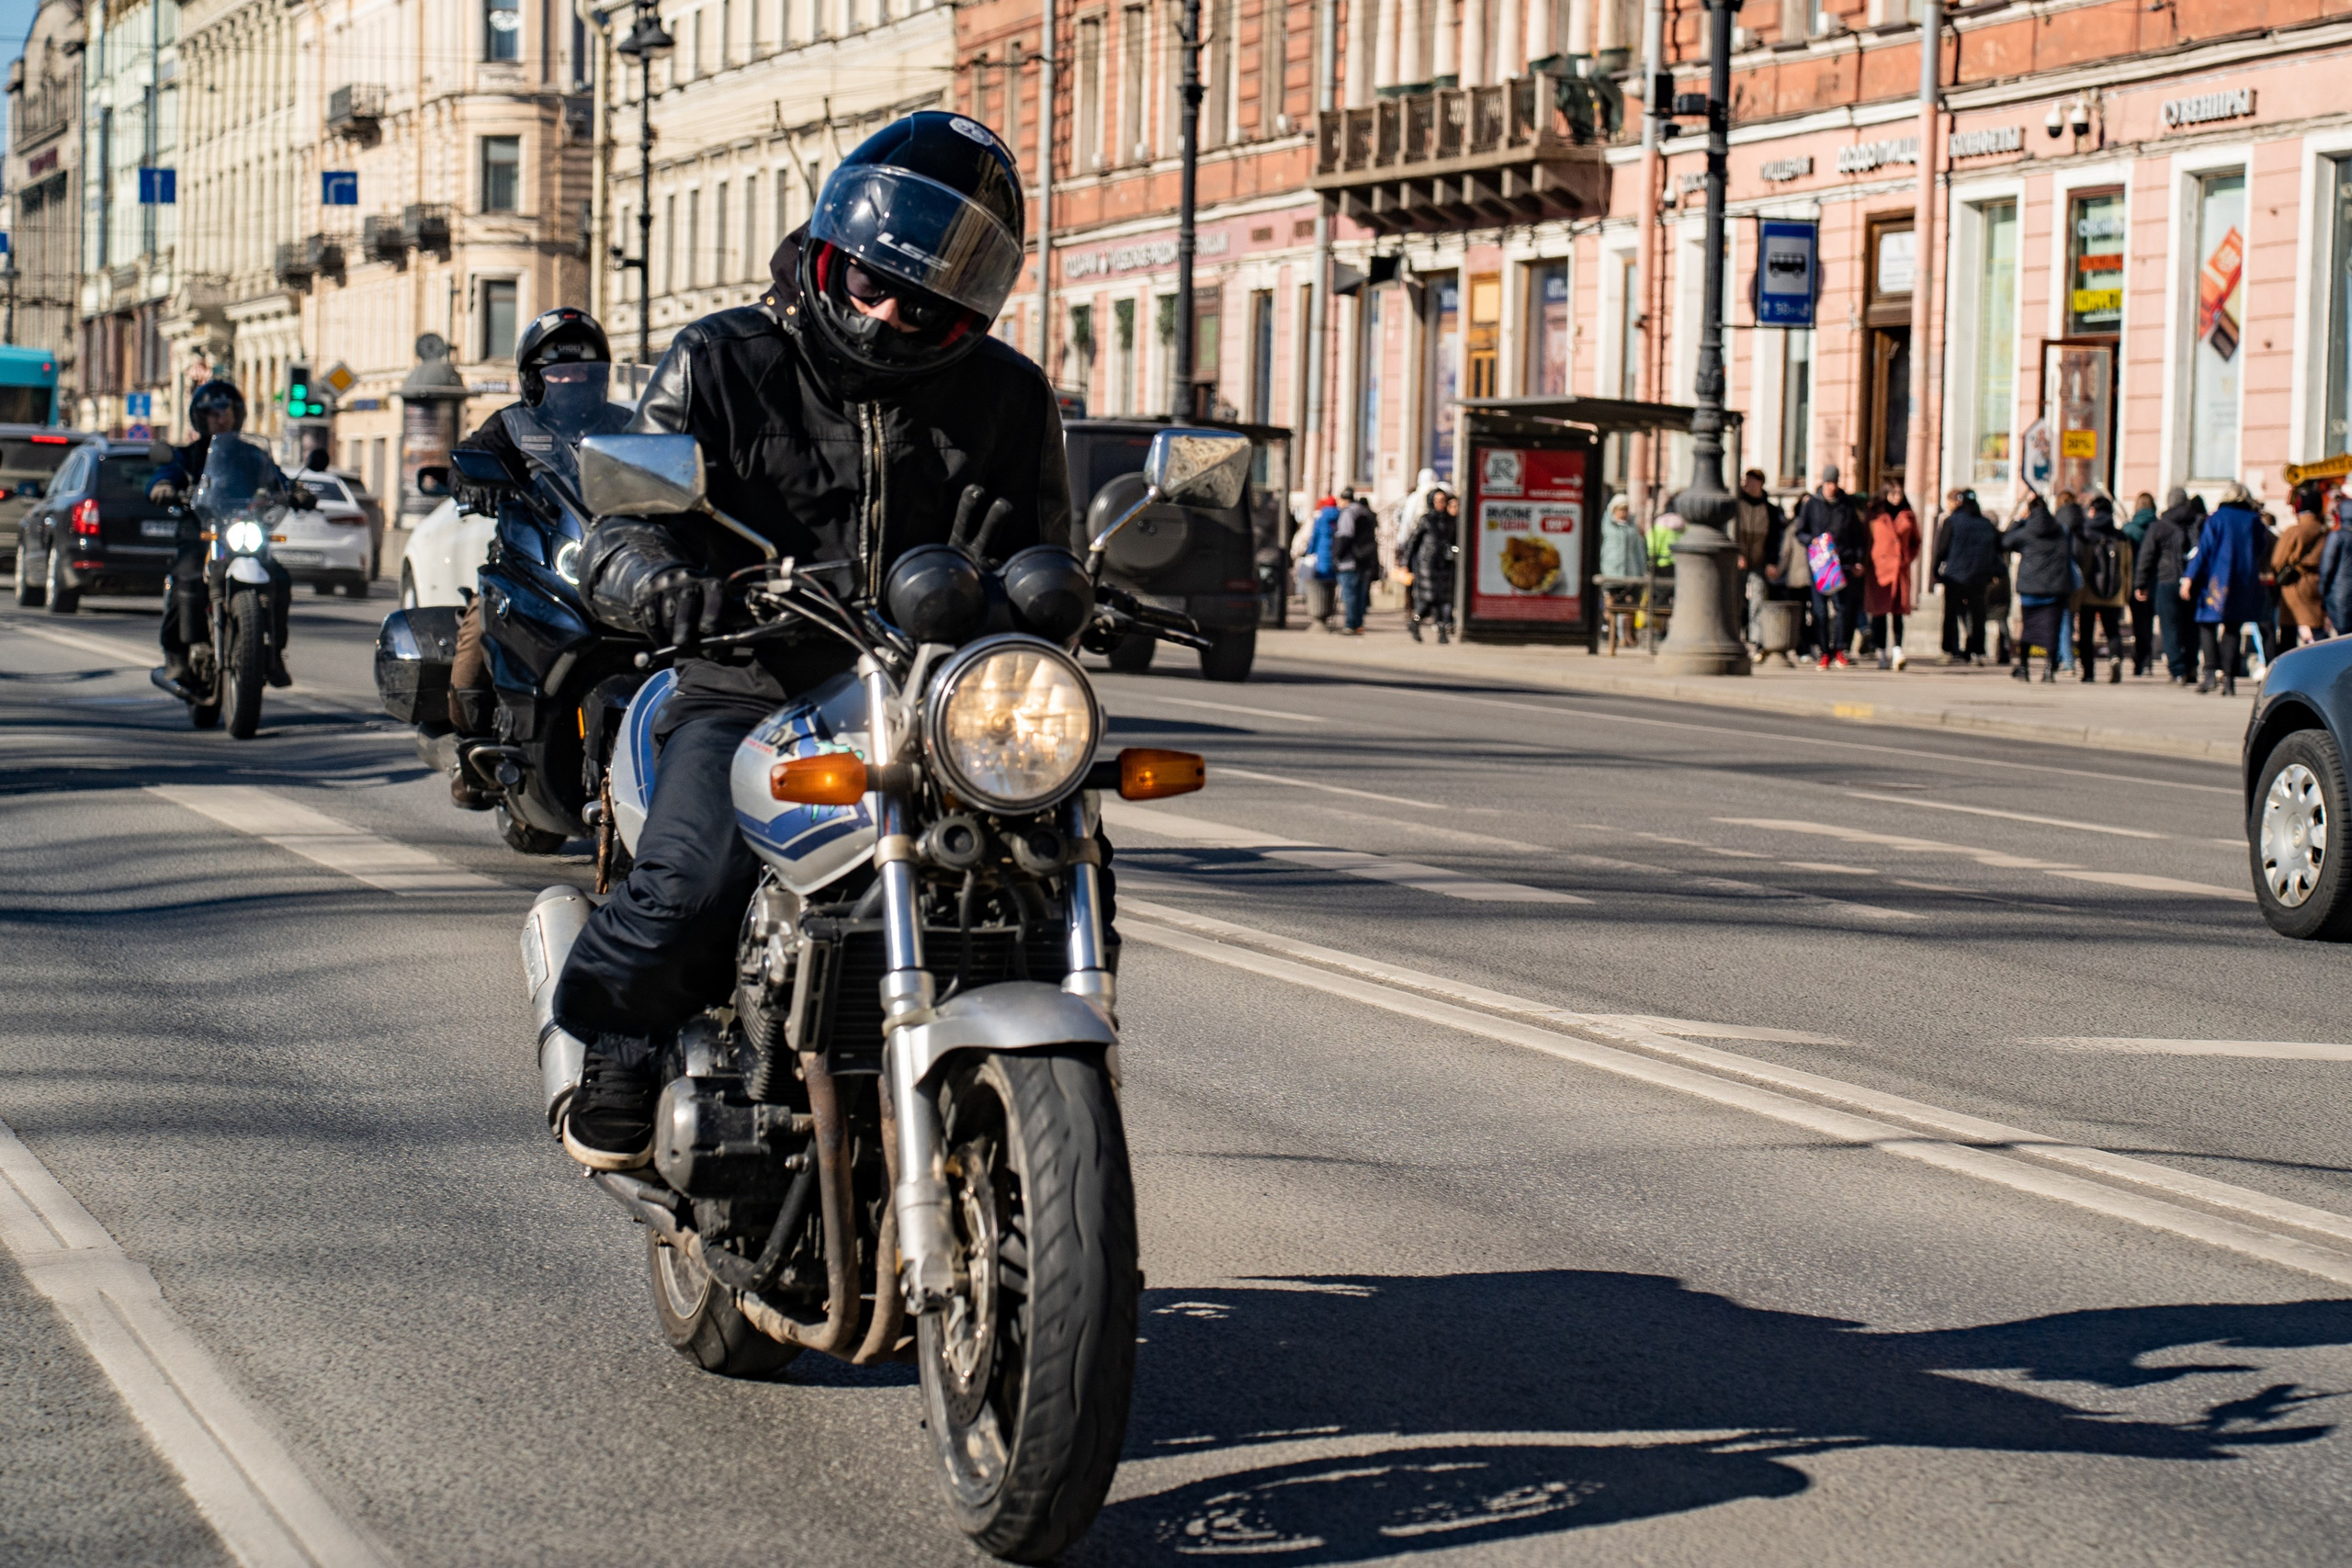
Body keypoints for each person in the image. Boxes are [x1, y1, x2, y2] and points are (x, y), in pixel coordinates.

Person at [549, 111, 1076, 1169]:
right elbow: (617, 523)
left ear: (966, 307)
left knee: (1047, 859)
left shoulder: (1009, 395)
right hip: (753, 676)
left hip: (938, 696)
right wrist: (661, 585)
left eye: (919, 303)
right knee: (692, 884)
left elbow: (1049, 544)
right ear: (828, 256)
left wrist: (1083, 591)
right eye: (869, 283)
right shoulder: (723, 359)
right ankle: (621, 1037)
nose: (885, 314)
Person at [442, 309, 633, 807]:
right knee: (471, 649)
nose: (571, 381)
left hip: (610, 564)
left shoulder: (627, 426)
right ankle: (470, 746)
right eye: (558, 373)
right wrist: (471, 485)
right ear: (533, 380)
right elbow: (466, 461)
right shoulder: (511, 424)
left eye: (584, 372)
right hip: (526, 562)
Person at [152, 378, 301, 693]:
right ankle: (177, 653)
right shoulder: (190, 454)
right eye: (213, 413)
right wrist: (164, 486)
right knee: (188, 575)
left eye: (227, 412)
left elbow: (277, 479)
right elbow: (168, 472)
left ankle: (273, 654)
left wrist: (296, 492)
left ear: (238, 415)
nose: (221, 418)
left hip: (243, 529)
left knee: (280, 578)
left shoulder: (253, 455)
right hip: (201, 531)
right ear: (200, 417)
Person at [2185, 482, 2267, 697]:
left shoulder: (2217, 518)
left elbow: (2204, 551)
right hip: (2244, 581)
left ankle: (2211, 672)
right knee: (2233, 628)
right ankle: (2229, 680)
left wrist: (2189, 578)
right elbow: (2261, 547)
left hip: (2216, 580)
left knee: (2207, 624)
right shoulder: (2253, 520)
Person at [1794, 466, 1866, 668]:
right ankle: (1824, 652)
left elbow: (1857, 536)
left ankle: (1840, 649)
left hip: (1842, 563)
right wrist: (1813, 540)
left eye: (1834, 483)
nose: (1831, 487)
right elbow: (1800, 532)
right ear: (1823, 483)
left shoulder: (1847, 505)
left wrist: (1858, 559)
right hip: (1820, 566)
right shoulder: (1812, 504)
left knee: (1843, 609)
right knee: (1820, 611)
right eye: (1828, 483)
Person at [2002, 490, 2073, 682]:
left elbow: (2005, 542)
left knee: (2029, 628)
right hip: (2055, 589)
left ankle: (2024, 669)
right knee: (2052, 630)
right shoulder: (2061, 530)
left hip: (2030, 589)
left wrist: (2019, 520)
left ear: (2030, 510)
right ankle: (2049, 671)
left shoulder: (2026, 531)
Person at [2135, 486, 2199, 683]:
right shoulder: (2197, 522)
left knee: (2169, 627)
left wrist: (2141, 583)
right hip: (2193, 581)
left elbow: (2146, 556)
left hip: (2167, 581)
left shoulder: (2159, 525)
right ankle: (2191, 667)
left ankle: (2177, 669)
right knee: (2191, 626)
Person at [1932, 490, 1999, 664]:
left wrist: (1935, 571)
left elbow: (1941, 549)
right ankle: (1977, 651)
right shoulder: (1986, 523)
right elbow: (1996, 549)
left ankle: (1950, 650)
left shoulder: (1951, 521)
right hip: (1979, 576)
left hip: (1955, 575)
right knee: (1978, 615)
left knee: (1951, 614)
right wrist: (1993, 572)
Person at [2073, 491, 2131, 683]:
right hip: (2114, 593)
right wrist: (2126, 593)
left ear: (2093, 511)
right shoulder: (2121, 536)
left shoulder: (2084, 534)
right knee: (2112, 630)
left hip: (2087, 592)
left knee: (2086, 633)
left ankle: (2088, 672)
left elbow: (2079, 562)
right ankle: (2115, 658)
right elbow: (2127, 567)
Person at [1864, 479, 1919, 670]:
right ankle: (1881, 653)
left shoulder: (1908, 515)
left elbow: (1915, 542)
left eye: (1899, 493)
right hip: (1879, 570)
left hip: (1900, 570)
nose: (1897, 497)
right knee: (1879, 613)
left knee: (1898, 613)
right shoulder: (1875, 515)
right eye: (1893, 493)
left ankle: (1897, 651)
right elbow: (1866, 540)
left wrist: (1906, 559)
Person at [1732, 469, 1784, 654]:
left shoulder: (1769, 509)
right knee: (1735, 600)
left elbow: (1775, 538)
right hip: (1739, 561)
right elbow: (1732, 531)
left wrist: (1771, 562)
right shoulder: (1737, 504)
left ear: (1761, 483)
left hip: (1760, 562)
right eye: (1747, 481)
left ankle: (1755, 641)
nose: (1748, 484)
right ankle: (1735, 636)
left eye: (1753, 481)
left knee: (1758, 601)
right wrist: (1737, 554)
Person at [2272, 487, 2328, 649]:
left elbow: (2277, 561)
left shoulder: (2293, 532)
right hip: (2316, 584)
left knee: (2288, 632)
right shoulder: (2325, 532)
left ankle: (2287, 668)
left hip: (2292, 586)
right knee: (2316, 629)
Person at [1402, 488, 1458, 643]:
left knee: (1442, 600)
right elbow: (1413, 542)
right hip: (1427, 564)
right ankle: (1416, 620)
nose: (1442, 504)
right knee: (1429, 600)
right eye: (1439, 501)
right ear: (1432, 501)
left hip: (1444, 564)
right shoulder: (1426, 519)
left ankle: (1441, 631)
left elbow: (1455, 543)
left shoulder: (1450, 520)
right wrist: (1405, 562)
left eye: (1444, 501)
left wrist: (1453, 551)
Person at [1332, 487, 1381, 634]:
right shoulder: (1364, 511)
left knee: (1350, 594)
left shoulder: (1348, 513)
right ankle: (1358, 624)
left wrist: (1337, 555)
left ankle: (1351, 624)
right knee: (1359, 593)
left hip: (1349, 559)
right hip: (1364, 558)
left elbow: (1345, 536)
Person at [2122, 491, 2158, 673]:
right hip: (2156, 582)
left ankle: (2140, 659)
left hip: (2134, 582)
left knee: (2137, 623)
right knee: (2149, 622)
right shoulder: (2159, 527)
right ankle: (2147, 659)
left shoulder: (2129, 529)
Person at [1295, 492, 1340, 629]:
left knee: (1320, 583)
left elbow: (1315, 536)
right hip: (1336, 551)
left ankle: (1320, 617)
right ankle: (1329, 611)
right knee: (1332, 583)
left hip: (1322, 552)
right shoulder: (1341, 515)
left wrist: (1310, 551)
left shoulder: (1320, 517)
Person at [2321, 491, 2352, 637]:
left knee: (2343, 638)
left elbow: (2327, 566)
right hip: (2344, 593)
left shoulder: (2337, 536)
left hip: (2340, 594)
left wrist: (2322, 590)